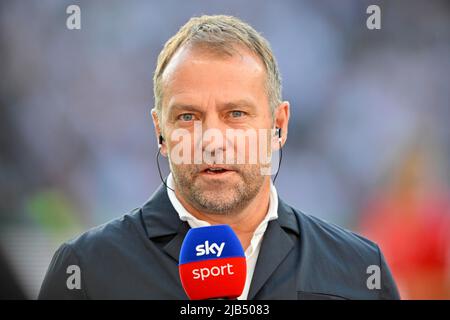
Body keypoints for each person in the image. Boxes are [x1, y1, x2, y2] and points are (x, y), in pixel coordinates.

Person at [39, 15, 399, 299]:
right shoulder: (87, 269)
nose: (212, 141)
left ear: (279, 125)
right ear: (159, 132)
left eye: (236, 114)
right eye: (188, 117)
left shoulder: (359, 269)